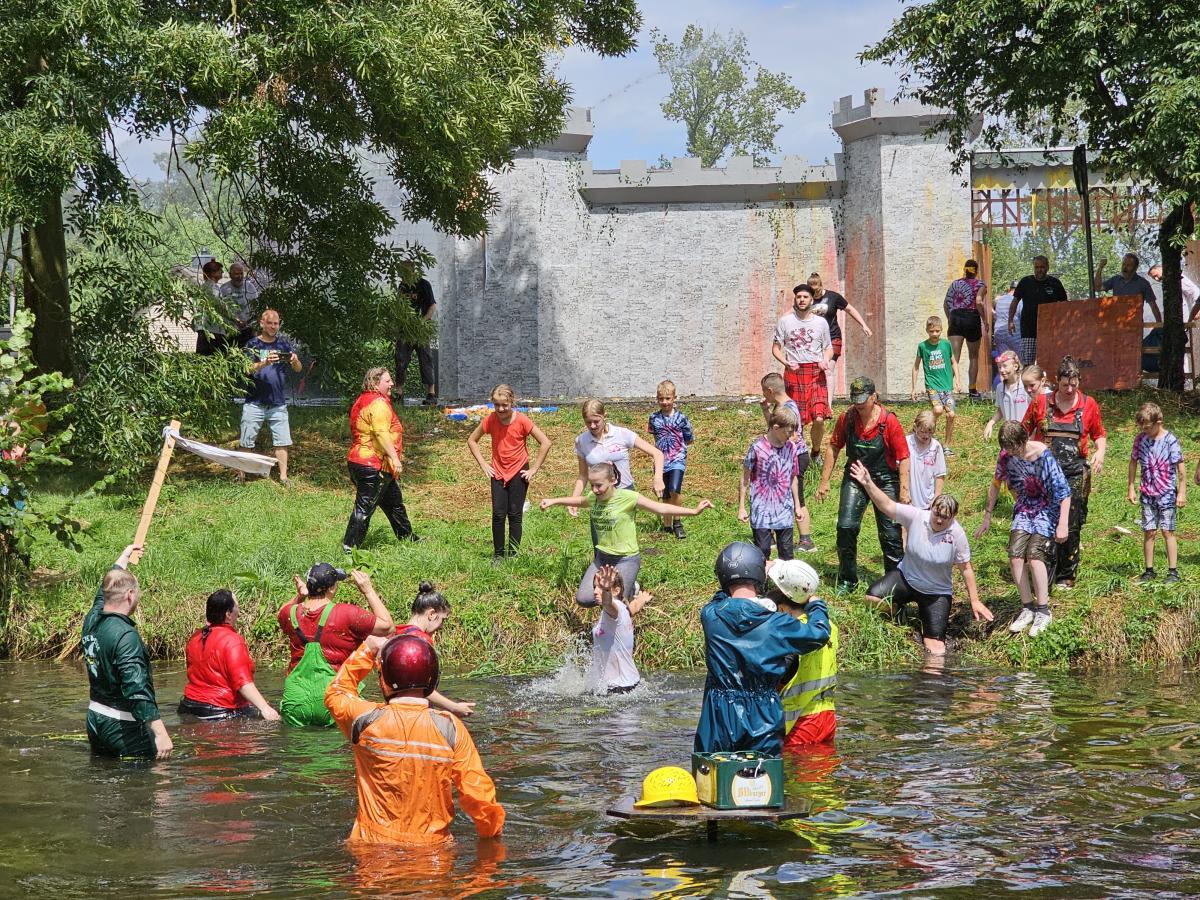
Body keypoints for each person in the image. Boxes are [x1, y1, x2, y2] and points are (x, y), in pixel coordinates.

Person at [325, 633, 505, 844]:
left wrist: (368, 649)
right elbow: (479, 795)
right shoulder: (450, 728)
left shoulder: (364, 720)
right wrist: (491, 839)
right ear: (432, 676)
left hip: (372, 848)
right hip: (433, 851)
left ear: (385, 677)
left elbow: (336, 692)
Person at [694, 542, 831, 756]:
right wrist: (816, 604)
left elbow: (722, 597)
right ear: (759, 575)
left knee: (711, 768)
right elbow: (819, 633)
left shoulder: (710, 615)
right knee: (762, 772)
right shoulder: (777, 624)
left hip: (719, 709)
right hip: (763, 712)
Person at [850, 462, 990, 656]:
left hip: (936, 593)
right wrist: (868, 483)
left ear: (953, 517)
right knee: (871, 599)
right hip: (906, 579)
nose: (939, 520)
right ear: (931, 508)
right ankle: (899, 610)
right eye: (937, 514)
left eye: (945, 518)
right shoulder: (917, 517)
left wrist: (974, 600)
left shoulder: (956, 534)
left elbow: (966, 568)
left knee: (936, 650)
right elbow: (887, 505)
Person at [541, 462, 713, 607]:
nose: (595, 490)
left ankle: (631, 591)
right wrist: (554, 501)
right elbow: (580, 501)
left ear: (613, 480)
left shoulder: (628, 497)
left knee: (616, 603)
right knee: (584, 599)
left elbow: (660, 508)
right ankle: (626, 589)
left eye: (599, 485)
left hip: (626, 559)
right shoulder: (593, 498)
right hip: (602, 558)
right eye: (592, 485)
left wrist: (693, 511)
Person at [975, 421, 1071, 636]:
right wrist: (987, 516)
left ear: (1024, 440)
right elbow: (996, 483)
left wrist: (1063, 523)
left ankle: (1043, 610)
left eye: (1015, 448)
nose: (1011, 453)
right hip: (1024, 508)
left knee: (1035, 556)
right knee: (1015, 556)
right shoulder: (1005, 455)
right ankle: (1027, 607)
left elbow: (1064, 492)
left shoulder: (1043, 456)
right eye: (1007, 449)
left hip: (1047, 508)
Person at [815, 376, 910, 591]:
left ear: (874, 397)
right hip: (855, 477)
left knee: (890, 534)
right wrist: (824, 481)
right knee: (845, 526)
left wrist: (904, 491)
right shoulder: (847, 418)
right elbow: (834, 447)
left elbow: (904, 456)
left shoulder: (889, 421)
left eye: (863, 400)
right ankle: (848, 579)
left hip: (884, 479)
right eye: (855, 399)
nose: (858, 405)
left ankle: (895, 584)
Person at [1022, 356, 1107, 590]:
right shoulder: (1041, 403)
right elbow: (1022, 432)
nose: (1069, 389)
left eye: (1074, 385)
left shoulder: (1089, 404)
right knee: (1044, 520)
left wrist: (1100, 452)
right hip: (1044, 474)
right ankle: (1044, 568)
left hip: (1075, 474)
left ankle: (1066, 573)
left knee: (1071, 522)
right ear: (1056, 381)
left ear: (1079, 381)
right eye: (1064, 385)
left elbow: (1099, 434)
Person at [82, 544, 172, 759]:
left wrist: (123, 558)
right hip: (123, 726)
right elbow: (136, 686)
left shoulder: (92, 619)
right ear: (130, 594)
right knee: (149, 775)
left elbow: (102, 593)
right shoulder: (126, 636)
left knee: (104, 773)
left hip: (95, 718)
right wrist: (161, 733)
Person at [278, 563, 394, 726]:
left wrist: (300, 596)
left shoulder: (289, 613)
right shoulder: (346, 613)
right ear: (332, 588)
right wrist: (368, 591)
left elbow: (281, 611)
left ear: (309, 586)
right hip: (335, 700)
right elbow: (388, 627)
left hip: (296, 703)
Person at [467, 384, 552, 561]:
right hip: (498, 472)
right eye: (496, 405)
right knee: (498, 514)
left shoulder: (522, 420)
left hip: (519, 472)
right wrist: (483, 464)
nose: (500, 409)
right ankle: (498, 555)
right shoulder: (490, 420)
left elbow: (545, 442)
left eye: (504, 405)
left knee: (515, 514)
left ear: (512, 402)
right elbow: (472, 440)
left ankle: (513, 554)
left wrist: (534, 469)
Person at [766, 559, 838, 749]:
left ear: (782, 608)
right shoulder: (828, 626)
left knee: (796, 766)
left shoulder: (791, 632)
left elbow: (780, 675)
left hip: (800, 722)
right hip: (827, 716)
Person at [343, 367, 418, 550]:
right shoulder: (378, 403)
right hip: (372, 464)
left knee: (394, 504)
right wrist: (395, 458)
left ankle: (408, 539)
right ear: (375, 383)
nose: (392, 384)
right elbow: (380, 433)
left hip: (367, 463)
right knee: (364, 507)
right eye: (387, 381)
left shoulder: (363, 399)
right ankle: (350, 548)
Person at [178, 589, 281, 721]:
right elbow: (242, 682)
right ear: (228, 614)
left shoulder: (195, 637)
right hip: (219, 711)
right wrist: (265, 708)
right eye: (237, 606)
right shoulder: (233, 641)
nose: (239, 611)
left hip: (187, 707)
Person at [396, 581, 479, 717]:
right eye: (443, 620)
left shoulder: (398, 633)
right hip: (416, 714)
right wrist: (454, 707)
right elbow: (419, 688)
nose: (441, 626)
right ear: (432, 614)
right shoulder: (420, 642)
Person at [570, 399, 665, 518]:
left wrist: (658, 479)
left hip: (624, 493)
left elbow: (657, 454)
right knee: (601, 529)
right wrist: (574, 500)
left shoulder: (621, 434)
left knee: (623, 529)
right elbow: (583, 476)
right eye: (588, 422)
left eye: (596, 421)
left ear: (604, 416)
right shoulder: (581, 441)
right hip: (600, 495)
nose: (592, 426)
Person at [738, 406, 811, 559]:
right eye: (789, 432)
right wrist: (742, 507)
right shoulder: (757, 448)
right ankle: (763, 575)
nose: (792, 436)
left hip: (784, 511)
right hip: (761, 511)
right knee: (762, 553)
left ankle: (784, 576)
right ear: (776, 428)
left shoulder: (791, 448)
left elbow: (793, 477)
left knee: (787, 555)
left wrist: (797, 506)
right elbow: (744, 478)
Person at [772, 283, 834, 456]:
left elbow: (829, 348)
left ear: (811, 300)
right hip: (794, 372)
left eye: (805, 297)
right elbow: (776, 348)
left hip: (815, 373)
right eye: (798, 297)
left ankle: (815, 452)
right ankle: (796, 452)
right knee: (793, 419)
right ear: (795, 300)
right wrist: (786, 362)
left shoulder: (821, 322)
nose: (801, 300)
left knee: (819, 419)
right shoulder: (785, 321)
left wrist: (825, 360)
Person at [241, 309, 301, 484]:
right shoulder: (253, 344)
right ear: (262, 324)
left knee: (282, 441)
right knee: (246, 440)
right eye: (270, 323)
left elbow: (298, 369)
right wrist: (265, 362)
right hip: (254, 401)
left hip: (278, 402)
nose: (273, 327)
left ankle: (283, 477)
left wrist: (295, 360)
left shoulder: (283, 345)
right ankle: (241, 475)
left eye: (276, 324)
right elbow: (246, 369)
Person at [1128, 402, 1185, 584]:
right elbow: (1133, 462)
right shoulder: (1140, 439)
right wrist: (1131, 487)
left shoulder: (1170, 440)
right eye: (1142, 427)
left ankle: (1173, 571)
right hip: (1147, 492)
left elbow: (1181, 469)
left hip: (1166, 493)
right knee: (1149, 531)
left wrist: (1182, 492)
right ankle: (1149, 570)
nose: (1144, 430)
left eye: (1147, 427)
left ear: (1158, 422)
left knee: (1168, 531)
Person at [588, 565, 652, 695]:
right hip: (625, 685)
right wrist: (640, 600)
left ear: (616, 591)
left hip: (620, 688)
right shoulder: (623, 609)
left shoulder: (613, 609)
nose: (595, 591)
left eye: (600, 587)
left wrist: (606, 590)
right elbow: (632, 609)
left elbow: (608, 604)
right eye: (595, 587)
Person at [647, 380, 695, 539]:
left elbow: (689, 439)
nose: (665, 402)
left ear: (674, 398)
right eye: (661, 399)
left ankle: (678, 521)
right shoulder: (653, 418)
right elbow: (655, 436)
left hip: (677, 459)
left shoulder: (682, 418)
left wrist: (677, 449)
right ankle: (667, 525)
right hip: (661, 460)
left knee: (675, 488)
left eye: (668, 398)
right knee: (665, 493)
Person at [910, 315, 957, 455]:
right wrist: (913, 388)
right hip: (932, 386)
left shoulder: (946, 344)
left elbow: (954, 362)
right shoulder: (923, 346)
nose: (935, 334)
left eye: (937, 331)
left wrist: (958, 380)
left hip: (947, 386)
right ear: (927, 330)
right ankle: (925, 428)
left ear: (942, 330)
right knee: (937, 410)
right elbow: (916, 367)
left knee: (951, 415)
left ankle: (947, 445)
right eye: (932, 331)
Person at [942, 259, 988, 397]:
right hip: (972, 318)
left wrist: (950, 318)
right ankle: (972, 389)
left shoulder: (955, 284)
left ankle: (946, 389)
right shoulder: (980, 285)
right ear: (976, 271)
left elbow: (946, 303)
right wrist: (985, 319)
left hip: (955, 317)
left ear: (964, 269)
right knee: (973, 356)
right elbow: (979, 301)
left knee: (954, 356)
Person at [1011, 255, 1068, 365]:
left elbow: (1064, 305)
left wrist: (1063, 324)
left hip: (1050, 330)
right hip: (1029, 330)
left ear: (1047, 267)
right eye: (1036, 267)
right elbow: (1015, 301)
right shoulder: (1025, 282)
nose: (1039, 270)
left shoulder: (1055, 283)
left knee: (1050, 362)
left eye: (1042, 267)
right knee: (1028, 364)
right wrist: (1010, 320)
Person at [808, 272, 872, 362]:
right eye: (812, 292)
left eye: (817, 291)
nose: (815, 295)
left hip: (833, 338)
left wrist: (864, 325)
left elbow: (850, 309)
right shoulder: (806, 299)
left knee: (827, 367)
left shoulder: (833, 297)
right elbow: (794, 313)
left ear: (821, 286)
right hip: (813, 340)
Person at [395, 276, 438, 406]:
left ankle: (431, 394)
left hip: (421, 330)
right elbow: (399, 308)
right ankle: (399, 393)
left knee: (426, 359)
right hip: (405, 330)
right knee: (400, 360)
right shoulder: (402, 286)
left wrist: (421, 323)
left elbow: (432, 306)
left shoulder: (424, 284)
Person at [1095, 253, 1160, 321]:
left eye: (1128, 265)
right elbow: (1098, 288)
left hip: (1135, 325)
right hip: (1117, 323)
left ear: (1135, 268)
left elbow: (1153, 306)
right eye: (1123, 264)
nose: (1124, 268)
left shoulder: (1143, 283)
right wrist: (1100, 267)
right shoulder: (1115, 280)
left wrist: (1159, 324)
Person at [983, 351, 1031, 442]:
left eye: (1005, 366)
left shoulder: (1026, 385)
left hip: (1026, 434)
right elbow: (1001, 410)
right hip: (1009, 435)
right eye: (999, 367)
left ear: (1015, 366)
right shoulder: (1000, 388)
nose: (1001, 370)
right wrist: (990, 423)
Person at [906, 411, 947, 512]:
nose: (926, 436)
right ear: (915, 427)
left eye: (930, 432)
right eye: (923, 432)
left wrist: (936, 497)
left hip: (928, 501)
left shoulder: (935, 447)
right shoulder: (906, 443)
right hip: (908, 500)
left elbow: (940, 474)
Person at [194, 258, 229, 355]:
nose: (222, 272)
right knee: (217, 356)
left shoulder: (204, 287)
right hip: (213, 331)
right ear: (213, 273)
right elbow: (219, 306)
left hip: (206, 330)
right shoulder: (212, 287)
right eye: (220, 270)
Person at [219, 261, 259, 347]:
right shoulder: (224, 289)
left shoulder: (250, 287)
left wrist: (251, 324)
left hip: (249, 330)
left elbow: (257, 308)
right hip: (231, 331)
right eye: (236, 274)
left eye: (241, 274)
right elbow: (221, 311)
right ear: (230, 275)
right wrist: (235, 320)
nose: (240, 276)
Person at [992, 280, 1022, 360]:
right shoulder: (1020, 300)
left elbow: (996, 315)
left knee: (1004, 360)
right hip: (1015, 333)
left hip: (999, 333)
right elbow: (1023, 317)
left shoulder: (1000, 300)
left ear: (1010, 289)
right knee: (1019, 360)